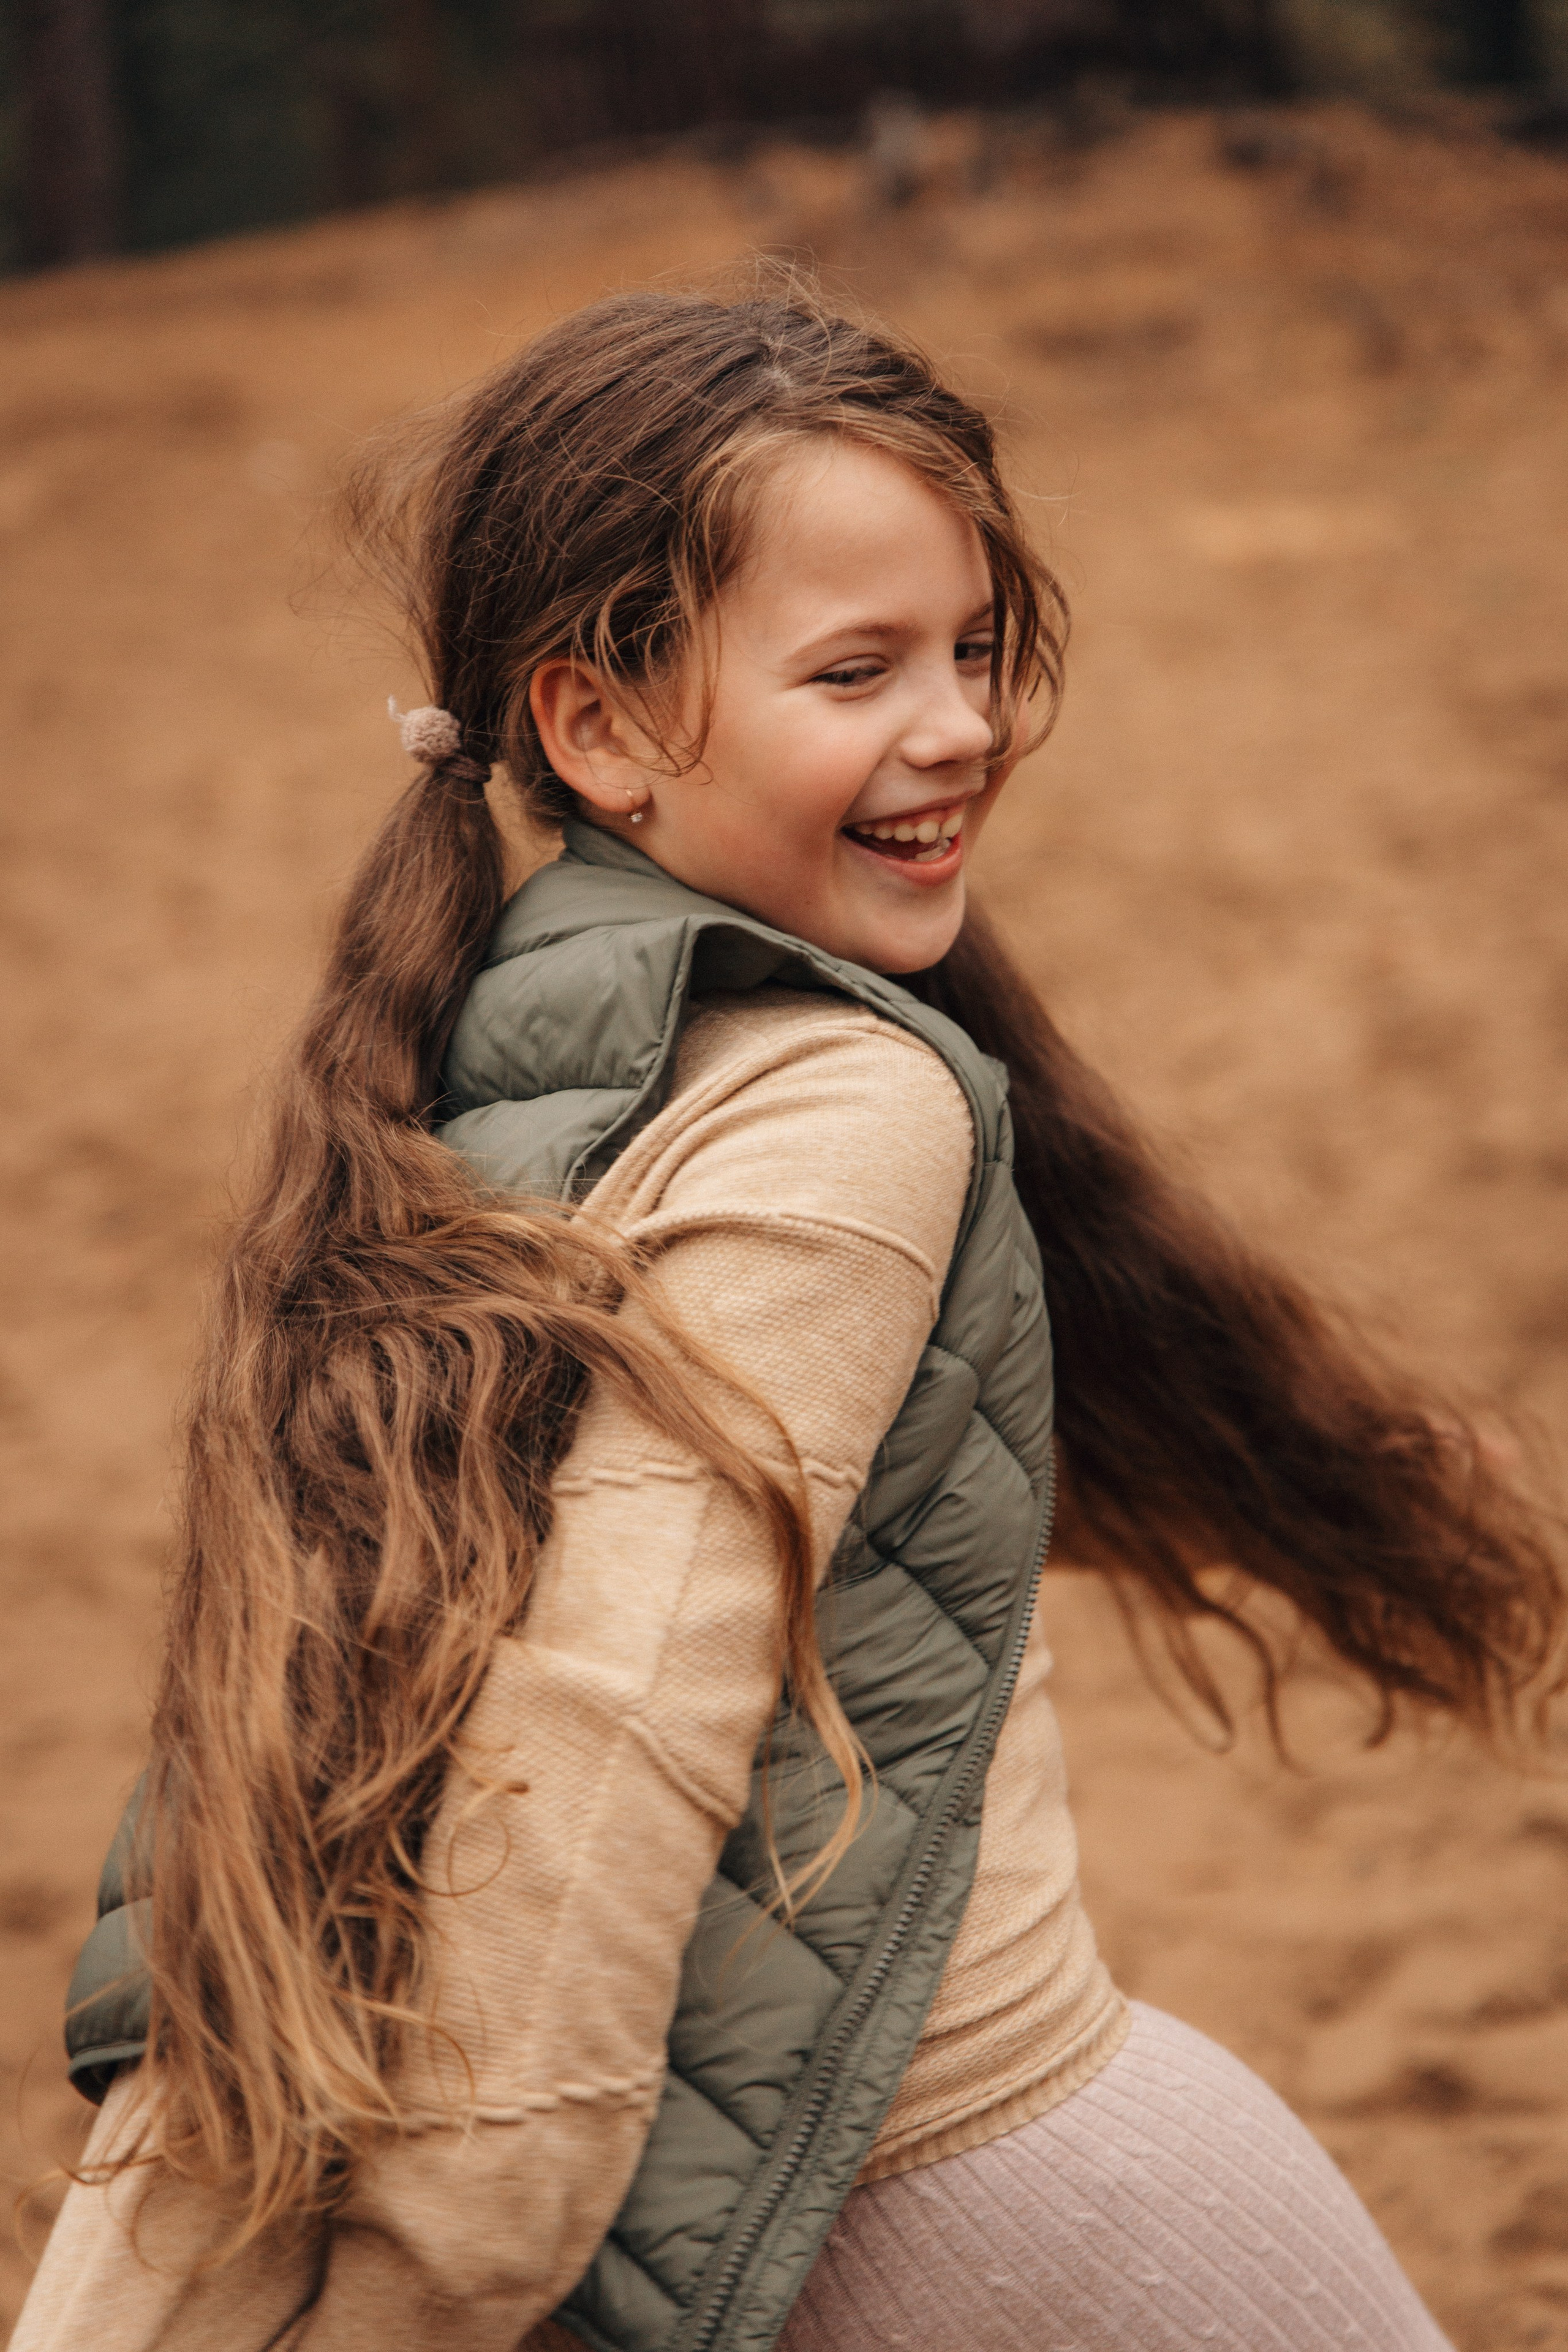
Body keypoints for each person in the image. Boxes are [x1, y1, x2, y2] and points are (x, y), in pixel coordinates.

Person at [15, 285, 1560, 2352]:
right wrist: (421, 2284)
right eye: (861, 668)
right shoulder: (845, 1112)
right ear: (600, 724)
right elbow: (604, 1750)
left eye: (979, 646)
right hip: (998, 2234)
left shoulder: (473, 1068)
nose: (967, 724)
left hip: (840, 2225)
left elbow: (728, 1541)